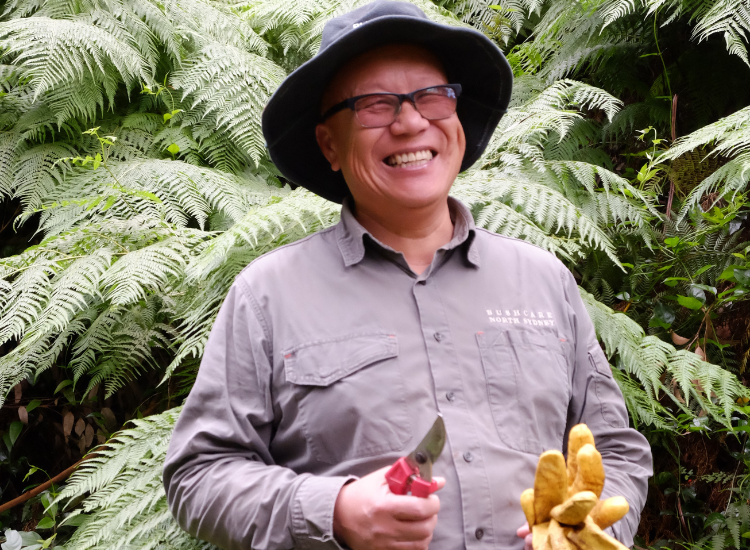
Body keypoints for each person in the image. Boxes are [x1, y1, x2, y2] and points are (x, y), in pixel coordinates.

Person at [162, 2, 653, 550]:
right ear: (330, 144)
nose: (411, 121)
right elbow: (198, 476)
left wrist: (591, 530)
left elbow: (616, 447)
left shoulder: (543, 280)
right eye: (375, 105)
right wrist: (336, 511)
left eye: (431, 96)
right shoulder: (268, 296)